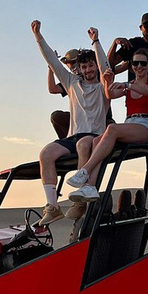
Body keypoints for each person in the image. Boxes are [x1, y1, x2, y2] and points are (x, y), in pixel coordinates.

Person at [32, 21, 110, 225]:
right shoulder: (72, 83)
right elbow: (52, 61)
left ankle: (80, 200)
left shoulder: (104, 86)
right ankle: (53, 206)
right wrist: (38, 37)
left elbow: (106, 67)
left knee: (83, 143)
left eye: (91, 65)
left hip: (94, 136)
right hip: (72, 135)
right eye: (84, 66)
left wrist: (96, 42)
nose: (88, 69)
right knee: (45, 154)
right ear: (80, 68)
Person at [66, 48, 148, 202]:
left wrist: (127, 85)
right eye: (135, 63)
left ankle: (85, 170)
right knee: (97, 141)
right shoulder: (129, 85)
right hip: (129, 124)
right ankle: (90, 187)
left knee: (111, 129)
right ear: (131, 66)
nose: (139, 66)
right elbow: (109, 95)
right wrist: (108, 82)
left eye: (142, 63)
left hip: (146, 125)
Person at [49, 49, 81, 140]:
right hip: (79, 118)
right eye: (70, 67)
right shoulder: (71, 81)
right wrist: (51, 67)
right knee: (56, 117)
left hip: (101, 117)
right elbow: (53, 89)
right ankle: (67, 142)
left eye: (74, 64)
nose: (73, 69)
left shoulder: (93, 74)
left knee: (109, 125)